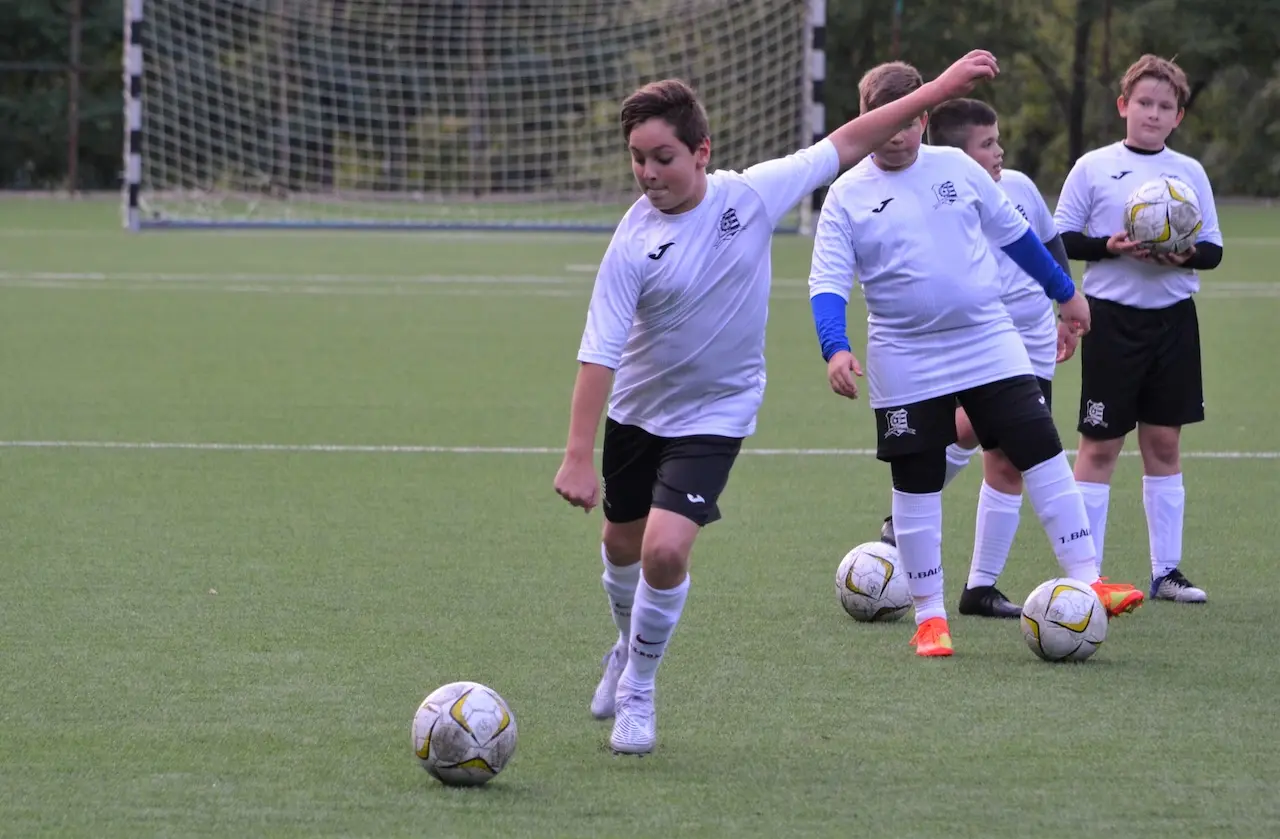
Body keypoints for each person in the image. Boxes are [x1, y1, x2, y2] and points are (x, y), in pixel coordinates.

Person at [553, 51, 1003, 754]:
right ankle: (625, 643)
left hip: (717, 413)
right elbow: (599, 352)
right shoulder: (632, 243)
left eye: (662, 157)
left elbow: (850, 139)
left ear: (701, 152)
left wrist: (939, 90)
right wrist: (578, 455)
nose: (647, 173)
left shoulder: (751, 196)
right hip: (638, 414)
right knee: (620, 545)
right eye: (637, 158)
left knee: (665, 551)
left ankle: (639, 689)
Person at [807, 61, 1146, 659]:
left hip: (987, 340)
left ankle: (1090, 581)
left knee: (1039, 444)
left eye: (910, 120)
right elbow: (827, 282)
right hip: (904, 355)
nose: (898, 133)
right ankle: (930, 618)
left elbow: (1017, 236)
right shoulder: (845, 194)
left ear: (923, 119)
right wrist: (835, 347)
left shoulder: (957, 168)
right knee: (916, 479)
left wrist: (1066, 293)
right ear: (867, 120)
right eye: (886, 120)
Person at [877, 98, 1080, 619]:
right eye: (988, 144)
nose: (999, 152)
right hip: (982, 342)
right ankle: (910, 518)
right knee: (978, 436)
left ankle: (980, 588)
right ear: (956, 157)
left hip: (1031, 343)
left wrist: (1065, 306)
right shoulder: (938, 197)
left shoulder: (1020, 188)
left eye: (997, 141)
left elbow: (1048, 243)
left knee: (1006, 458)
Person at [1054, 54, 1223, 604]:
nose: (1153, 114)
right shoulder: (1093, 167)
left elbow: (1214, 249)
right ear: (1123, 106)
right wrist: (1109, 247)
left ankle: (1166, 572)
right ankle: (1086, 576)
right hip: (1112, 319)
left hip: (1173, 322)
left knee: (1164, 444)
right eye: (1144, 103)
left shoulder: (1189, 172)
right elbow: (1060, 239)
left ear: (1178, 116)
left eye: (1165, 106)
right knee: (1100, 446)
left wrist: (1186, 255)